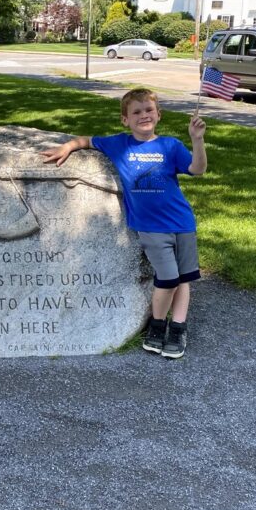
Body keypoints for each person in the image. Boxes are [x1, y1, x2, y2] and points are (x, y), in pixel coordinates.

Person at [40, 88, 207, 359]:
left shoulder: (170, 146)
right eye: (136, 112)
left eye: (149, 110)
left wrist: (197, 141)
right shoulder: (119, 144)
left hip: (183, 222)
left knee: (184, 279)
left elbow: (198, 169)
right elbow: (87, 141)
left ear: (159, 115)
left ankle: (178, 328)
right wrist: (67, 147)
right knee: (168, 278)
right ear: (125, 120)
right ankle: (157, 325)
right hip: (151, 227)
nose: (144, 115)